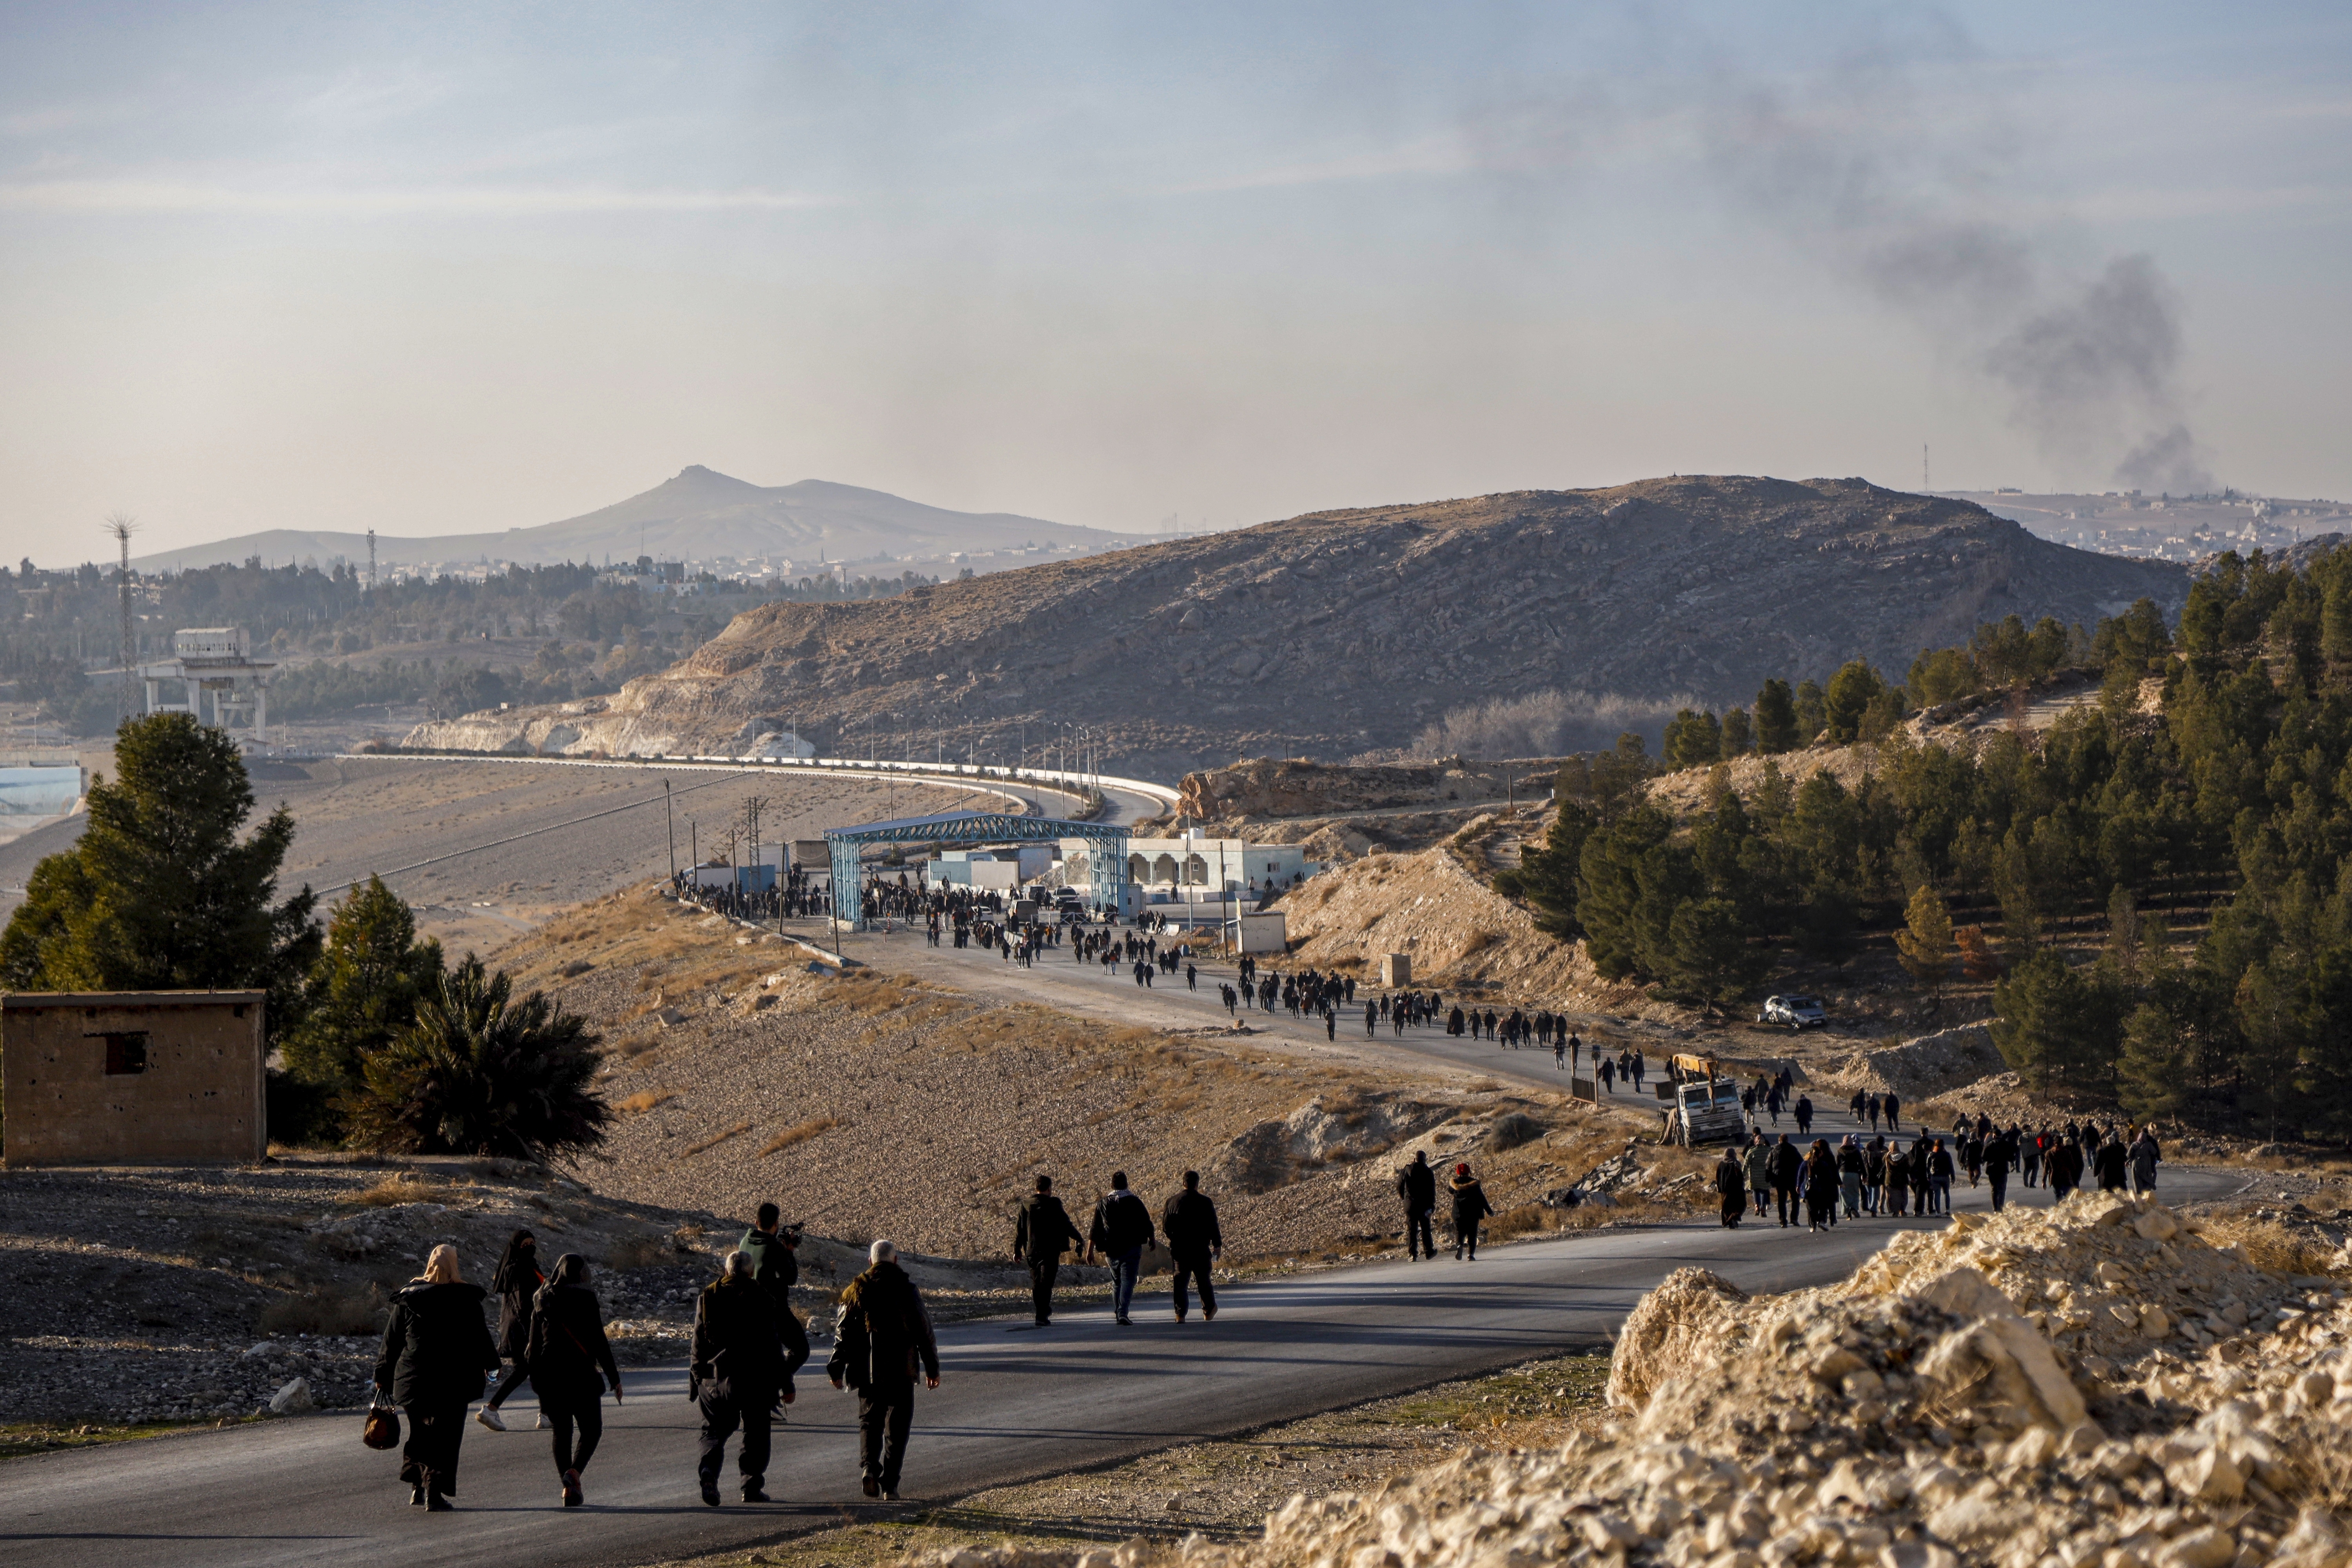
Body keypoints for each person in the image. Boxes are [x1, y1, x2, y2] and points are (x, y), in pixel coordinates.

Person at [372, 1243, 501, 1512]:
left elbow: (392, 1341)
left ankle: (417, 1487)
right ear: (455, 1265)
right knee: (445, 1436)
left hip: (413, 1379)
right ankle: (434, 1492)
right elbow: (480, 1338)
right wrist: (492, 1365)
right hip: (453, 1381)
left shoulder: (409, 1298)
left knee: (421, 1433)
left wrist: (382, 1374)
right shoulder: (466, 1300)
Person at [827, 1239, 940, 1501]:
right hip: (902, 1371)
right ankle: (890, 1485)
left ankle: (869, 1468)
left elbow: (842, 1334)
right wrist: (932, 1368)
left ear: (870, 1262)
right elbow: (924, 1331)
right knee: (897, 1429)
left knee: (870, 1423)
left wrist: (836, 1367)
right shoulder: (907, 1289)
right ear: (896, 1261)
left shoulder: (855, 1290)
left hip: (867, 1372)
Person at [692, 1249, 789, 1506]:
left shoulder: (708, 1296)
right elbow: (773, 1346)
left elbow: (698, 1344)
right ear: (751, 1272)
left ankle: (709, 1473)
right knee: (756, 1433)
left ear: (726, 1271)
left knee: (713, 1431)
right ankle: (751, 1487)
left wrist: (696, 1379)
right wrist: (786, 1383)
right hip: (753, 1379)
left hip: (715, 1379)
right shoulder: (762, 1297)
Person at [525, 1253, 621, 1507]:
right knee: (592, 1430)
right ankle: (575, 1473)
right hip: (581, 1375)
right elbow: (599, 1341)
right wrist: (614, 1378)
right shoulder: (586, 1297)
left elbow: (532, 1348)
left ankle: (569, 1490)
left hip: (549, 1376)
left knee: (562, 1431)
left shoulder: (541, 1298)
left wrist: (536, 1381)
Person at [738, 1203, 811, 1409]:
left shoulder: (746, 1241)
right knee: (800, 1350)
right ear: (776, 1223)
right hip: (775, 1310)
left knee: (769, 1358)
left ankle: (766, 1397)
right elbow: (791, 1277)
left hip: (750, 1309)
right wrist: (789, 1251)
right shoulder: (774, 1247)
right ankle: (770, 1396)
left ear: (756, 1222)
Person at [479, 1229, 543, 1432]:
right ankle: (491, 1409)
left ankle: (547, 1414)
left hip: (521, 1328)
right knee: (524, 1370)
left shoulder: (529, 1267)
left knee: (537, 1372)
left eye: (532, 1243)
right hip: (523, 1329)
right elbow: (525, 1304)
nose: (530, 1247)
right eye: (525, 1245)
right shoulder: (517, 1269)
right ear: (516, 1248)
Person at [1013, 1175, 1085, 1326]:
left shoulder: (1026, 1205)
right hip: (1050, 1251)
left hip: (1031, 1251)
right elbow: (1067, 1225)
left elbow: (1019, 1230)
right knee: (1046, 1283)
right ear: (1049, 1189)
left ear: (1036, 1188)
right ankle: (1042, 1314)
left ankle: (1041, 1313)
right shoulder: (1054, 1204)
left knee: (1037, 1284)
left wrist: (1017, 1250)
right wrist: (1079, 1239)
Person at [1087, 1172, 1156, 1326]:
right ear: (1127, 1184)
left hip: (1111, 1250)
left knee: (1117, 1282)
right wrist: (1152, 1240)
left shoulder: (1102, 1203)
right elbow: (1147, 1222)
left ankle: (1119, 1312)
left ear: (1112, 1186)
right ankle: (1122, 1313)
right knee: (1128, 1281)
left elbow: (1095, 1229)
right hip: (1132, 1247)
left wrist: (1090, 1251)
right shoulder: (1135, 1202)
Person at [1162, 1170, 1223, 1322]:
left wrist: (1175, 1239)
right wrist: (1217, 1245)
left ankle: (1180, 1315)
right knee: (1203, 1281)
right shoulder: (1206, 1202)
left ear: (1183, 1183)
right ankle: (1208, 1310)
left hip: (1180, 1250)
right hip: (1200, 1249)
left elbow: (1165, 1227)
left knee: (1180, 1283)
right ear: (1197, 1184)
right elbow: (1212, 1225)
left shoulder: (1172, 1202)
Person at [1397, 1150, 1439, 1261]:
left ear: (1414, 1159)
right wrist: (1432, 1206)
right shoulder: (1428, 1172)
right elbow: (1432, 1192)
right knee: (1425, 1228)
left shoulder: (1406, 1170)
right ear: (1425, 1160)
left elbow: (1399, 1186)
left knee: (1412, 1229)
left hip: (1410, 1205)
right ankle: (1429, 1251)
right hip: (1424, 1205)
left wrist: (1404, 1198)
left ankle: (1412, 1254)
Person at [1448, 1161, 1494, 1260]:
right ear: (1469, 1172)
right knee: (1472, 1234)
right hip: (1473, 1214)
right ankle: (1471, 1255)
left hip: (1458, 1214)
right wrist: (1489, 1211)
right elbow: (1482, 1198)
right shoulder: (1475, 1184)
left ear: (1458, 1172)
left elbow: (1450, 1191)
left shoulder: (1454, 1184)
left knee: (1459, 1233)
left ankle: (1459, 1245)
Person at [1771, 1134, 1802, 1227]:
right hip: (1792, 1178)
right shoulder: (1793, 1149)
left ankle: (1783, 1220)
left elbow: (1768, 1164)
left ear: (1779, 1141)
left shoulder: (1774, 1150)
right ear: (1788, 1140)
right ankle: (1794, 1219)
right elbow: (1801, 1162)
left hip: (1779, 1178)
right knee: (1795, 1199)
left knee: (1782, 1200)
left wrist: (1770, 1178)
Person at [1740, 1131, 1773, 1221]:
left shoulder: (1752, 1151)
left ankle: (1757, 1206)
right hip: (1765, 1176)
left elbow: (1746, 1165)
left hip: (1754, 1175)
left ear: (1755, 1142)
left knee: (1756, 1190)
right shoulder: (1769, 1151)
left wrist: (1743, 1175)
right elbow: (1772, 1163)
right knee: (1764, 1191)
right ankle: (1763, 1209)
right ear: (1764, 1141)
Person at [1983, 1127, 2016, 1213]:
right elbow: (2012, 1157)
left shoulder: (1990, 1145)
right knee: (2002, 1190)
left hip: (1992, 1170)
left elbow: (1984, 1157)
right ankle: (2001, 1208)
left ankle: (1995, 1209)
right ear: (2001, 1136)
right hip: (2003, 1169)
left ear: (1994, 1136)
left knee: (1994, 1189)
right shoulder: (2006, 1144)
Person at [1715, 1146, 1746, 1228]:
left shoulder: (1721, 1164)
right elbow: (1740, 1176)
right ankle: (1733, 1219)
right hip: (1736, 1189)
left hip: (1725, 1190)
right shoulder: (1736, 1163)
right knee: (1739, 1206)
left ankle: (1730, 1221)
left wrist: (1719, 1187)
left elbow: (1718, 1177)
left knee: (1727, 1207)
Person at [2130, 1128, 2161, 1196]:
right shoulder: (2150, 1142)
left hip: (2136, 1164)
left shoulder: (2135, 1144)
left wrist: (2129, 1161)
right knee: (2150, 1175)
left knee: (2137, 1180)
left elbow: (2129, 1155)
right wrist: (2158, 1158)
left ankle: (2139, 1195)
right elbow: (2155, 1152)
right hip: (2148, 1162)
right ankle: (2151, 1185)